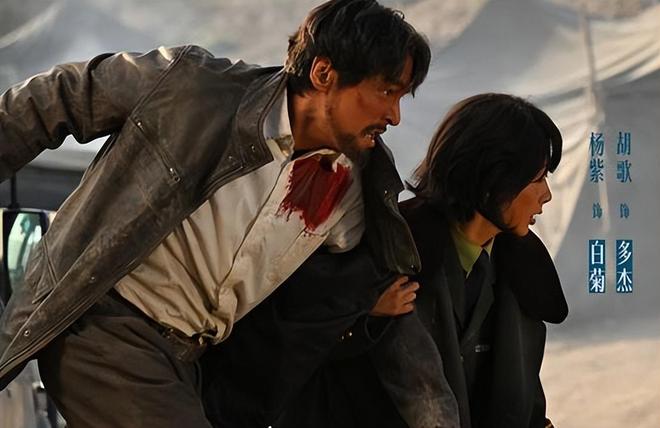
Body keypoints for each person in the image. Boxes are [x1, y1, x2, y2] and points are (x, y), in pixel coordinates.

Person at [0, 0, 430, 426]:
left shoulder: (357, 187)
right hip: (105, 322)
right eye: (386, 91)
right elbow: (60, 95)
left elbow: (326, 292)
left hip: (194, 365)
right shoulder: (193, 87)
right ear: (323, 74)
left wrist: (362, 306)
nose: (394, 116)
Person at [277, 93, 569, 428]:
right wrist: (361, 312)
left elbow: (525, 397)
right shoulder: (388, 253)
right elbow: (301, 352)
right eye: (537, 179)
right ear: (493, 180)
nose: (546, 195)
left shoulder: (525, 270)